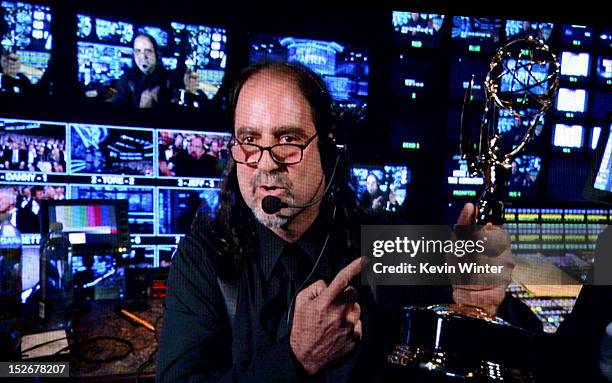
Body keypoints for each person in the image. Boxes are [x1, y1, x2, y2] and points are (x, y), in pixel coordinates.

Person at [157, 62, 514, 382]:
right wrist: (295, 359)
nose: (265, 165)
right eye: (249, 141)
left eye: (287, 140)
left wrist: (480, 298)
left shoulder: (382, 241)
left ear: (327, 149)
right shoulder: (202, 255)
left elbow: (520, 331)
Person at [112, 33, 200, 109]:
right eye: (138, 51)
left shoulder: (169, 78)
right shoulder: (125, 81)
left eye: (148, 51)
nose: (143, 56)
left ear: (156, 54)